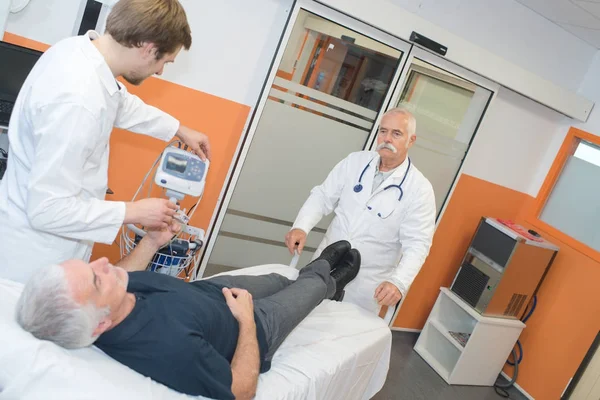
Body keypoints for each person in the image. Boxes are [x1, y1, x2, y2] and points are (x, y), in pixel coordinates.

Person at [0, 0, 211, 284]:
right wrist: (133, 211)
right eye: (164, 61)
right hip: (32, 261)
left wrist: (179, 129)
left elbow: (119, 102)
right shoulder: (78, 102)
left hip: (46, 241)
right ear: (148, 48)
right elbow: (47, 210)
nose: (160, 71)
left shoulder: (78, 52)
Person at [15, 237, 360, 400]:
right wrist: (247, 322)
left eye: (90, 263)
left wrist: (151, 242)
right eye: (95, 277)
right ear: (99, 325)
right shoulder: (167, 348)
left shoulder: (110, 299)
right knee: (309, 289)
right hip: (254, 322)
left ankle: (318, 278)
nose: (103, 264)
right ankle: (327, 280)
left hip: (215, 289)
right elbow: (242, 390)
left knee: (282, 279)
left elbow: (118, 274)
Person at [284, 107, 436, 314]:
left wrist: (398, 282)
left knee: (343, 337)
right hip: (326, 263)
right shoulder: (355, 162)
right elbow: (322, 196)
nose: (387, 139)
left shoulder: (420, 189)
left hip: (365, 283)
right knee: (299, 317)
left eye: (396, 133)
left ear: (411, 140)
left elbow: (418, 244)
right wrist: (301, 226)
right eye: (383, 131)